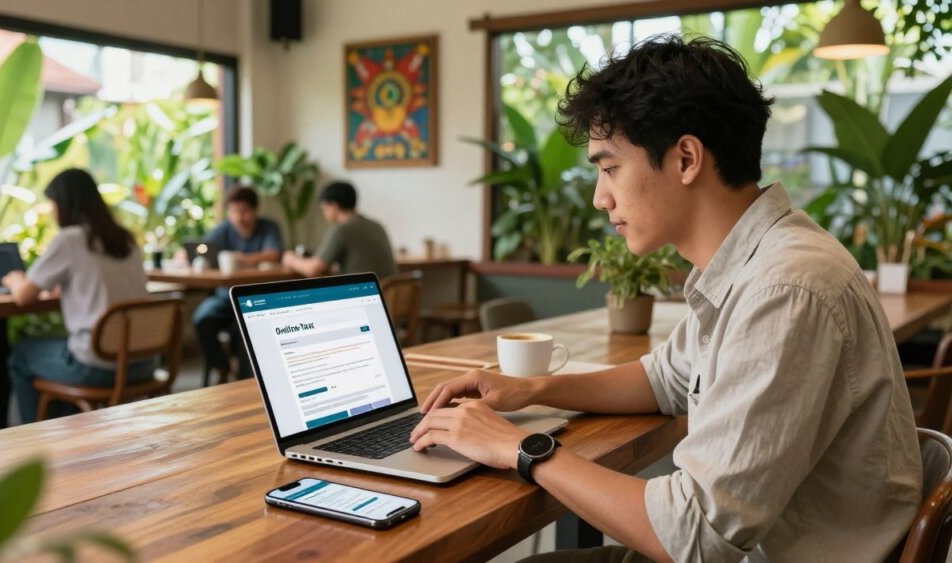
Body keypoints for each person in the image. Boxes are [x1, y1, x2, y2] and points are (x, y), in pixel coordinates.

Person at [409, 35, 922, 562]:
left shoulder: (785, 290)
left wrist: (519, 448)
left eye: (609, 168)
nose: (599, 197)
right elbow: (664, 378)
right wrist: (530, 389)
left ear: (685, 158)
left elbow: (697, 536)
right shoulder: (750, 262)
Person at [3, 169, 156, 423]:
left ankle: (32, 441)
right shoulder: (125, 239)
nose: (52, 211)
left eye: (53, 204)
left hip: (99, 366)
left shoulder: (70, 239)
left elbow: (23, 296)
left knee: (21, 354)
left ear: (65, 204)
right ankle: (69, 427)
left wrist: (13, 279)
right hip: (143, 362)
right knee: (59, 349)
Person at [192, 186, 283, 381]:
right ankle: (223, 367)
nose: (239, 217)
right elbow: (202, 250)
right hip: (224, 296)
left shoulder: (268, 228)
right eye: (234, 211)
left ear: (255, 210)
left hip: (254, 297)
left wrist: (241, 258)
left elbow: (274, 253)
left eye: (244, 211)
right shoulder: (223, 229)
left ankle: (244, 380)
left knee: (242, 331)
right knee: (202, 320)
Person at [282, 181, 397, 279]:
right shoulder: (377, 226)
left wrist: (290, 259)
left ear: (333, 206)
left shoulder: (342, 230)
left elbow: (313, 269)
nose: (323, 213)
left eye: (324, 208)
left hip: (363, 296)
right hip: (389, 297)